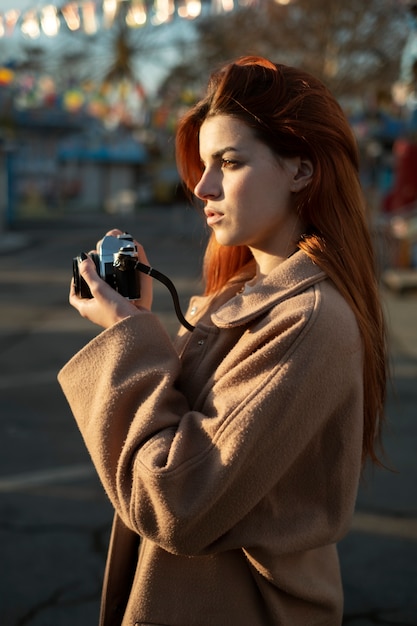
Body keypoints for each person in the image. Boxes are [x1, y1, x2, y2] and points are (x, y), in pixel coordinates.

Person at [58, 56, 387, 626]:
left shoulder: (308, 319)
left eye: (228, 163)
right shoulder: (242, 294)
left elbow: (176, 503)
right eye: (203, 165)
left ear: (301, 171)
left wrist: (129, 336)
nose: (202, 186)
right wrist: (138, 318)